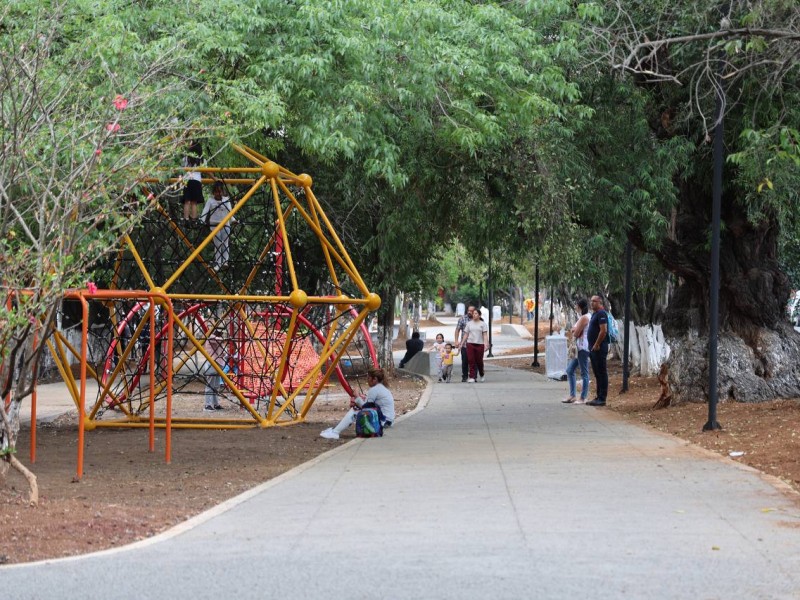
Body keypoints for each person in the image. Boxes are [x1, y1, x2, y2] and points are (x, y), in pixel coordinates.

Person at [320, 367, 395, 439]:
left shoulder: (374, 390)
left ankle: (335, 432)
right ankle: (335, 430)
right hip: (388, 420)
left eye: (368, 378)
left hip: (383, 422)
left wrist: (357, 396)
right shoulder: (382, 387)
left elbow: (365, 407)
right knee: (357, 408)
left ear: (374, 379)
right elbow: (370, 405)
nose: (367, 380)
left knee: (355, 410)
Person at [201, 181, 235, 270]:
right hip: (214, 225)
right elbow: (205, 211)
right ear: (213, 192)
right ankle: (218, 263)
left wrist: (233, 220)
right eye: (216, 191)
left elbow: (230, 211)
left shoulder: (226, 200)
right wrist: (202, 220)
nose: (218, 194)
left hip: (225, 224)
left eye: (220, 191)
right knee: (218, 244)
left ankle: (225, 262)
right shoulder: (210, 200)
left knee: (225, 243)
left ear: (222, 192)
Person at [563, 298, 591, 404]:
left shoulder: (584, 317)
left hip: (583, 347)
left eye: (576, 305)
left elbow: (575, 332)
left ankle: (583, 397)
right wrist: (574, 329)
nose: (575, 307)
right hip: (579, 348)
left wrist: (574, 329)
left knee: (584, 373)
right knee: (570, 370)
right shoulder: (583, 317)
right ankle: (573, 395)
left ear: (579, 307)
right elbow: (574, 329)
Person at [587, 295, 609, 406]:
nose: (592, 303)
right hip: (593, 348)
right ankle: (598, 396)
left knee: (601, 372)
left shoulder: (601, 313)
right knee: (597, 373)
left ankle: (602, 398)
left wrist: (596, 344)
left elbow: (603, 331)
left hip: (599, 348)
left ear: (600, 302)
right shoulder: (595, 314)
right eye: (591, 301)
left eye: (594, 301)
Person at [464, 308, 489, 383]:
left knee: (479, 361)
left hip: (480, 344)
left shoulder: (483, 324)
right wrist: (462, 343)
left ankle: (481, 374)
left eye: (476, 313)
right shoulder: (469, 324)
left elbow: (484, 335)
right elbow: (466, 334)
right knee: (471, 360)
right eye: (473, 313)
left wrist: (486, 344)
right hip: (470, 343)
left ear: (479, 315)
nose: (474, 315)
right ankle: (472, 377)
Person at [203, 334, 226, 411]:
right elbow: (217, 339)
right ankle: (208, 405)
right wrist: (224, 338)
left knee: (216, 385)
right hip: (212, 363)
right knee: (210, 385)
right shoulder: (211, 336)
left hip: (218, 363)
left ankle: (216, 404)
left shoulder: (215, 337)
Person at [181, 141, 203, 221]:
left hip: (187, 181)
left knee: (187, 201)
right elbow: (208, 171)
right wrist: (214, 178)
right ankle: (194, 219)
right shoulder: (201, 160)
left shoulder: (186, 159)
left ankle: (186, 219)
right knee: (194, 202)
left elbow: (180, 168)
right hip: (196, 181)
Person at [454, 305, 475, 382]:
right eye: (468, 310)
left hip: (475, 344)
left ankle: (473, 376)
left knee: (474, 361)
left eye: (471, 311)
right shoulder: (462, 319)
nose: (469, 312)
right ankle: (465, 376)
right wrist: (456, 341)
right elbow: (457, 330)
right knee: (465, 361)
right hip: (465, 344)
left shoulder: (478, 319)